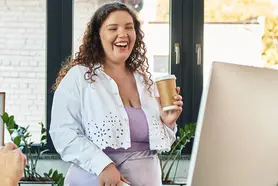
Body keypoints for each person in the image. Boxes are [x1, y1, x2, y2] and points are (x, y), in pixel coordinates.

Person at [50, 2, 183, 186]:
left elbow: (158, 144)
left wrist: (168, 123)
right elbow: (63, 133)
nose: (123, 34)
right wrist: (102, 166)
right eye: (113, 28)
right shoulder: (79, 77)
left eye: (129, 27)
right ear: (98, 36)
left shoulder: (145, 81)